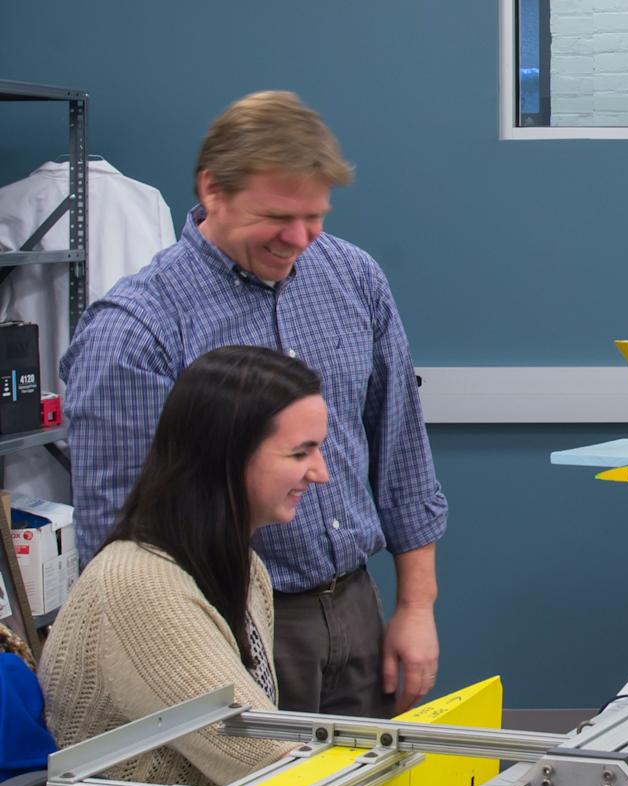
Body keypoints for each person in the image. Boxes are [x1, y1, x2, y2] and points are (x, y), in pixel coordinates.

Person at [61, 90, 445, 716]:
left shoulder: (353, 278)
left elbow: (402, 454)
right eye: (276, 216)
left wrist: (415, 607)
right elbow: (119, 540)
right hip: (223, 629)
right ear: (213, 190)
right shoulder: (135, 330)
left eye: (315, 215)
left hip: (356, 608)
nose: (299, 238)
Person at [41, 346, 329, 786]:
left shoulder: (245, 568)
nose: (320, 472)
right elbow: (272, 762)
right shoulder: (139, 588)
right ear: (228, 455)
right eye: (299, 454)